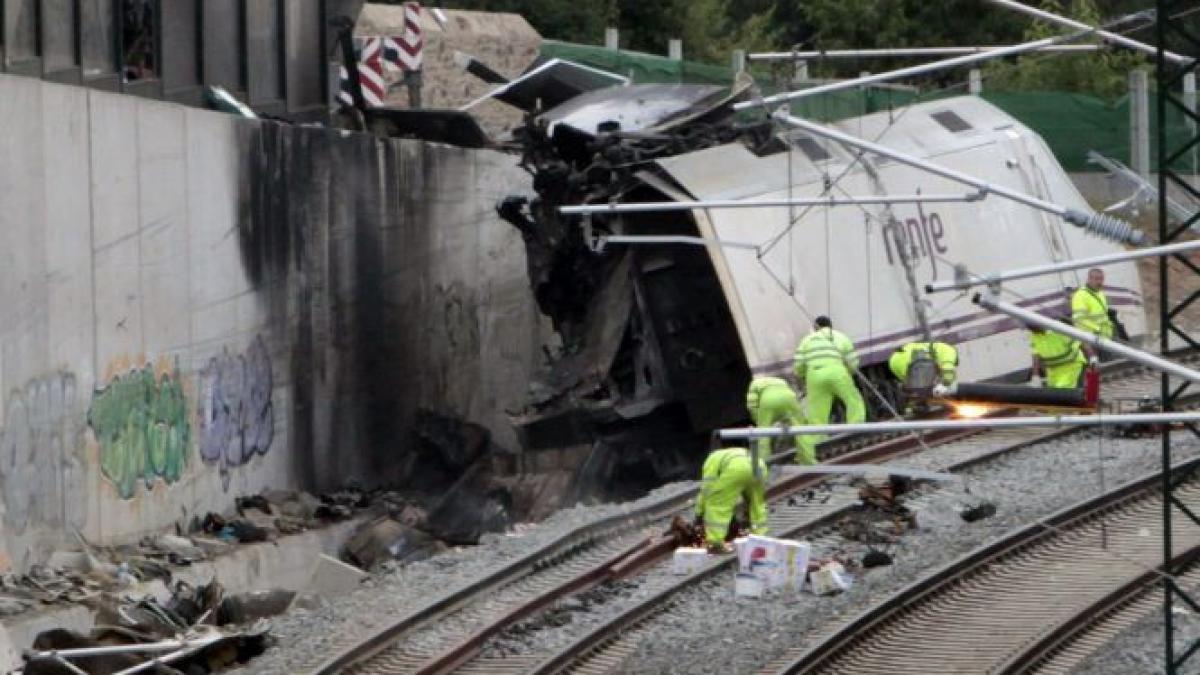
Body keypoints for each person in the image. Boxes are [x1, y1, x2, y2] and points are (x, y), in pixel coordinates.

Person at [793, 316, 866, 447]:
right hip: (837, 371)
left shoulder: (806, 340)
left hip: (815, 374)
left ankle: (819, 439)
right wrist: (848, 373)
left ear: (815, 327)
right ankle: (856, 427)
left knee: (817, 410)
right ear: (831, 325)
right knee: (853, 399)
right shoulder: (840, 336)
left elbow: (798, 366)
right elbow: (852, 361)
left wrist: (805, 375)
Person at [694, 446, 768, 553]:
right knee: (756, 503)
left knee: (718, 503)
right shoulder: (725, 454)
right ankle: (760, 536)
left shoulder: (710, 461)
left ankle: (716, 543)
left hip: (736, 469)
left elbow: (707, 490)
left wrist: (699, 513)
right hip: (759, 465)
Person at [746, 376, 816, 465]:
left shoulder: (753, 384)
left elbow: (752, 405)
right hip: (789, 397)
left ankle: (765, 465)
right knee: (801, 431)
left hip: (768, 400)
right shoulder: (780, 380)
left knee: (763, 436)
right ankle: (809, 461)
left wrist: (758, 421)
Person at [1029, 322, 1088, 388]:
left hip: (1071, 366)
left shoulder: (1058, 330)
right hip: (1053, 370)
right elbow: (1036, 357)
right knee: (1054, 392)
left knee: (1064, 390)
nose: (1031, 330)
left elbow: (1080, 342)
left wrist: (1092, 357)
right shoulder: (1034, 336)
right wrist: (1035, 376)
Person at [888, 341, 959, 386]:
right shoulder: (950, 353)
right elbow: (948, 373)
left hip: (894, 360)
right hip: (908, 358)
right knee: (921, 385)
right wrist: (946, 385)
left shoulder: (941, 349)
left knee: (916, 386)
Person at [1072, 268, 1115, 341]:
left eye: (1101, 279)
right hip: (1092, 338)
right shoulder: (1080, 295)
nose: (1099, 282)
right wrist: (1097, 329)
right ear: (1089, 279)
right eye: (1097, 279)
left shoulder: (1100, 293)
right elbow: (1079, 320)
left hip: (1104, 336)